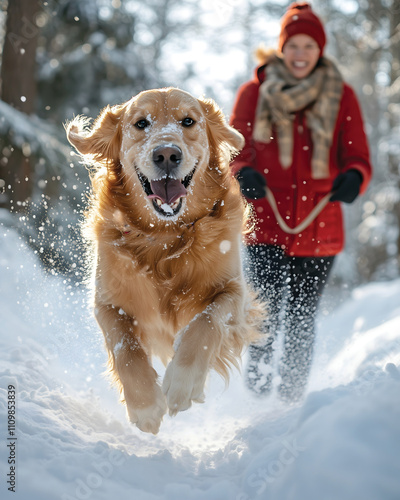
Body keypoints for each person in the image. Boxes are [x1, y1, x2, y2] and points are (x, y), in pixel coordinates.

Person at [230, 2, 372, 402]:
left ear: (319, 50)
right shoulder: (254, 93)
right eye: (294, 45)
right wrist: (243, 172)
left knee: (301, 318)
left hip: (320, 226)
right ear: (282, 48)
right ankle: (256, 397)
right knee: (264, 314)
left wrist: (353, 178)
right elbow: (234, 148)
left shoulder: (341, 96)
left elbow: (358, 156)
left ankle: (291, 404)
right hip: (266, 223)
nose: (300, 54)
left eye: (309, 45)